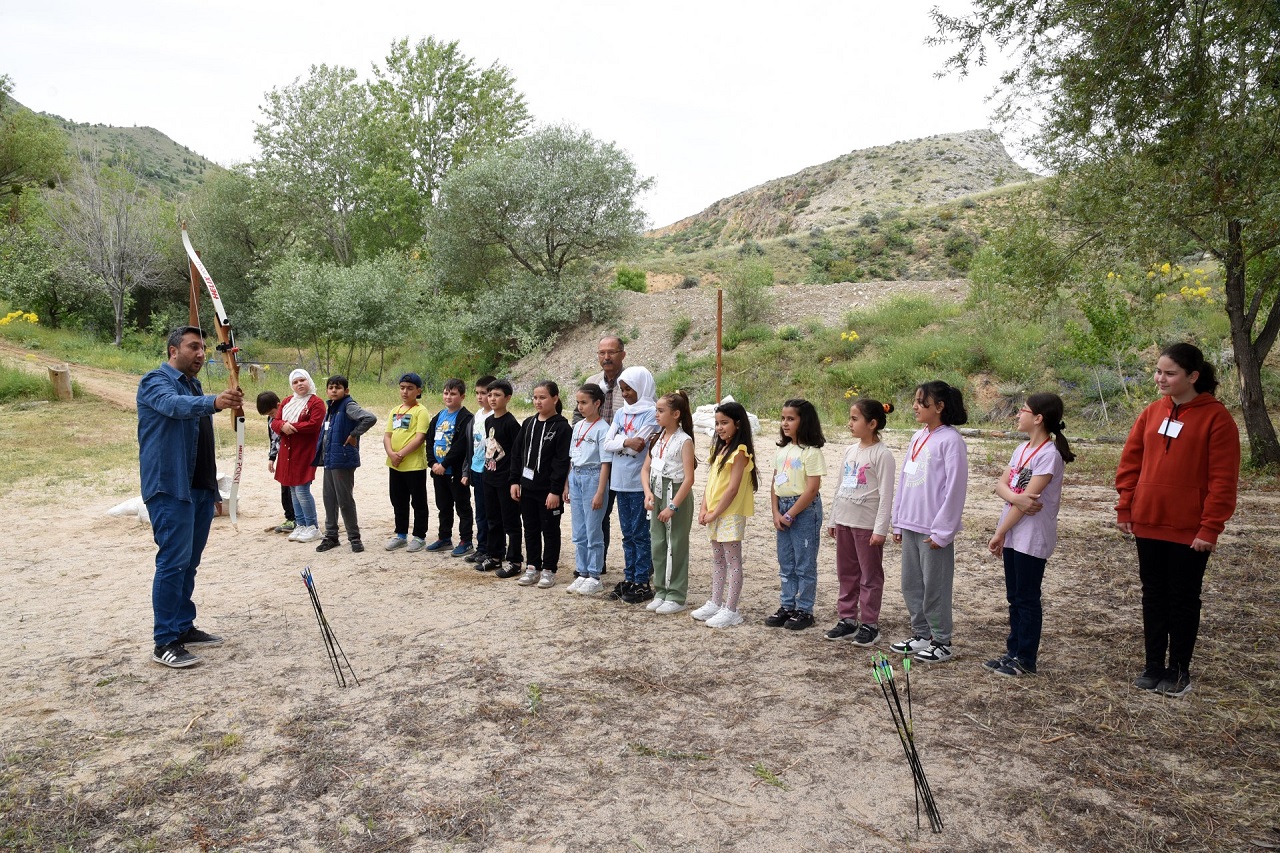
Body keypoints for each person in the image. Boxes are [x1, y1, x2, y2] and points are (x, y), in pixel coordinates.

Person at [1116, 343, 1239, 697]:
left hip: (1190, 531)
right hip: (1148, 522)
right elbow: (1131, 462)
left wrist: (1210, 527)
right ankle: (1153, 665)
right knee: (1153, 595)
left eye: (1170, 373)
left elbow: (1223, 480)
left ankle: (1179, 670)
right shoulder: (1153, 412)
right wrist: (1126, 506)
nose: (1160, 379)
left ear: (1193, 376)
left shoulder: (1217, 418)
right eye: (1158, 371)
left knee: (1183, 598)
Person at [138, 326, 244, 668]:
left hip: (198, 488)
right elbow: (172, 406)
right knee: (172, 562)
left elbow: (202, 440)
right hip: (170, 486)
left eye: (203, 348)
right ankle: (164, 640)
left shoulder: (193, 385)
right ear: (173, 350)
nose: (201, 354)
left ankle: (182, 626)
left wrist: (212, 490)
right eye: (193, 347)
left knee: (189, 562)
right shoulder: (155, 381)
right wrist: (215, 401)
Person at [984, 393, 1074, 677]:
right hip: (1013, 532)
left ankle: (1026, 658)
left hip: (1030, 537)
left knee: (1026, 598)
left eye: (1022, 410)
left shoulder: (1049, 455)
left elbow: (1028, 502)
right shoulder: (1021, 450)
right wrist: (1016, 498)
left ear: (1038, 418)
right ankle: (1013, 651)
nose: (1017, 415)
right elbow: (1003, 487)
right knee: (1014, 597)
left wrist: (1000, 531)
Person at [891, 380, 969, 664]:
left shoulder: (951, 440)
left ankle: (941, 640)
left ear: (939, 407)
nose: (914, 406)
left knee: (935, 585)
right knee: (911, 584)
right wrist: (897, 520)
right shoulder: (918, 435)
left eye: (920, 401)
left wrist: (943, 531)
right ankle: (921, 634)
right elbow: (904, 480)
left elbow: (955, 488)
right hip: (910, 523)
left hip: (933, 529)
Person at [826, 398, 896, 646]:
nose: (849, 423)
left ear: (872, 423)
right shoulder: (850, 450)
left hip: (866, 526)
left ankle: (869, 623)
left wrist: (880, 530)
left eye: (855, 419)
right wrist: (834, 518)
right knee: (847, 573)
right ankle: (847, 619)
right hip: (845, 520)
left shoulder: (883, 455)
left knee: (870, 576)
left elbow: (887, 495)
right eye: (850, 418)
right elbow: (840, 485)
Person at [694, 400, 757, 629]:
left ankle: (731, 609)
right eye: (717, 423)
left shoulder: (740, 452)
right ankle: (715, 601)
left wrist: (715, 513)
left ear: (738, 424)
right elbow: (711, 482)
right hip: (715, 512)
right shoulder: (718, 448)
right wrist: (704, 508)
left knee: (733, 561)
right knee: (718, 559)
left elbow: (732, 488)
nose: (719, 428)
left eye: (724, 423)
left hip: (729, 514)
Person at [766, 398, 827, 631]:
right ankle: (787, 605)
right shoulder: (782, 450)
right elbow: (774, 483)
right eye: (783, 418)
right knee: (786, 561)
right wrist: (775, 512)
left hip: (803, 510)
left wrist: (790, 514)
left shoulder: (811, 452)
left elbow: (812, 488)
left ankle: (804, 609)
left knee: (804, 562)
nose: (785, 423)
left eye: (791, 419)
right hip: (783, 508)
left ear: (805, 421)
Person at [602, 366, 659, 603]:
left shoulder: (651, 413)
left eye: (629, 389)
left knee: (640, 533)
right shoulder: (620, 414)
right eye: (622, 389)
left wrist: (620, 441)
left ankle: (642, 580)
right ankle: (630, 576)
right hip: (620, 481)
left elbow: (641, 443)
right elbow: (607, 443)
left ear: (642, 387)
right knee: (627, 534)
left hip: (639, 483)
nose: (625, 394)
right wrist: (625, 440)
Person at [511, 380, 571, 588]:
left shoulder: (562, 427)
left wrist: (555, 490)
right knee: (531, 528)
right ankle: (532, 566)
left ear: (555, 398)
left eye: (543, 397)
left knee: (550, 529)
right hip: (527, 487)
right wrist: (515, 481)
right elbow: (517, 454)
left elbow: (562, 461)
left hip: (548, 491)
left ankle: (549, 569)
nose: (538, 401)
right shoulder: (528, 423)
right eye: (535, 397)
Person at [642, 391, 698, 615]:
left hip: (675, 494)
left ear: (676, 414)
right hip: (656, 492)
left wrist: (673, 505)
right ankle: (661, 591)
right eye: (656, 410)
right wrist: (647, 493)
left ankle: (676, 594)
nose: (656, 414)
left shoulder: (684, 441)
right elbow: (645, 469)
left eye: (661, 411)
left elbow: (689, 477)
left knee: (675, 544)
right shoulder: (657, 438)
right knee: (657, 543)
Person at [576, 335, 628, 568]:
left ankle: (639, 570)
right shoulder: (593, 381)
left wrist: (615, 440)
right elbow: (577, 414)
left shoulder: (631, 382)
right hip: (594, 464)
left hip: (625, 461)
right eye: (601, 353)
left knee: (630, 516)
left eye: (611, 352)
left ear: (622, 354)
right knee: (598, 513)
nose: (606, 357)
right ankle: (598, 563)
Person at [313, 375, 378, 554]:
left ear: (346, 391)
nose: (334, 390)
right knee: (329, 498)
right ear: (326, 390)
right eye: (331, 387)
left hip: (342, 459)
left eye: (338, 387)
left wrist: (354, 434)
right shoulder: (331, 408)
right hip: (330, 460)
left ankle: (354, 538)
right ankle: (331, 536)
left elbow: (369, 418)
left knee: (344, 500)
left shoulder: (348, 406)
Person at [565, 384, 612, 595]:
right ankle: (581, 572)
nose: (580, 407)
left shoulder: (604, 429)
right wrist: (567, 482)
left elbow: (605, 463)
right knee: (579, 530)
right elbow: (572, 456)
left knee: (593, 530)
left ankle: (594, 575)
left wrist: (600, 491)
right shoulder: (577, 427)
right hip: (576, 475)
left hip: (593, 477)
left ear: (597, 403)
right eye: (578, 402)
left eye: (584, 402)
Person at [271, 369, 324, 543]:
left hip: (305, 450)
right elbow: (276, 422)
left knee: (302, 489)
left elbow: (314, 425)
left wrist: (289, 427)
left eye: (302, 380)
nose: (299, 384)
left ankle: (312, 526)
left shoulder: (316, 403)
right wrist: (282, 426)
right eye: (295, 382)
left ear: (309, 380)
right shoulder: (287, 401)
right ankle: (300, 524)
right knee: (292, 490)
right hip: (288, 451)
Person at [424, 378, 475, 557]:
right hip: (438, 471)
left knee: (462, 507)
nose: (448, 397)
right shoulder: (438, 416)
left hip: (455, 472)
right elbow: (429, 441)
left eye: (453, 394)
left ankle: (466, 540)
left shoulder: (466, 418)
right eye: (446, 393)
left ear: (462, 396)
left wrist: (445, 464)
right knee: (443, 506)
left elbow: (461, 446)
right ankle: (444, 538)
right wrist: (433, 463)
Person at [481, 379, 525, 576]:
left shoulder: (511, 423)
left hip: (506, 480)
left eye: (497, 395)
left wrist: (515, 480)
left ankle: (514, 561)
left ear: (507, 398)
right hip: (489, 477)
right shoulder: (489, 420)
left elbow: (517, 453)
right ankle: (495, 555)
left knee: (511, 522)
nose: (492, 399)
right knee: (493, 519)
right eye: (489, 395)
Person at [383, 372, 431, 551]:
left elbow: (419, 438)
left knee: (418, 501)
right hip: (394, 464)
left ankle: (419, 536)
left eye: (410, 388)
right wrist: (391, 453)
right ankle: (400, 534)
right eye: (402, 388)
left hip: (413, 466)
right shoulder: (395, 410)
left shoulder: (421, 411)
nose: (405, 392)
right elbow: (387, 435)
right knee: (398, 499)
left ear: (418, 390)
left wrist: (400, 454)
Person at [462, 375, 497, 566]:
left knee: (491, 512)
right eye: (478, 393)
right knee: (480, 511)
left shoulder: (495, 417)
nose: (481, 397)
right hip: (476, 468)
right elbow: (471, 445)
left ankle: (493, 549)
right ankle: (481, 547)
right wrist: (466, 471)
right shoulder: (477, 415)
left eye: (484, 393)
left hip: (489, 470)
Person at [254, 390, 296, 535]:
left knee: (295, 489)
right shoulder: (271, 420)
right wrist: (272, 457)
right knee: (284, 488)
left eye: (272, 413)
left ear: (279, 405)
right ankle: (290, 517)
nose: (271, 417)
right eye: (268, 415)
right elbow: (273, 439)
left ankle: (299, 518)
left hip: (294, 456)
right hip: (282, 458)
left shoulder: (290, 415)